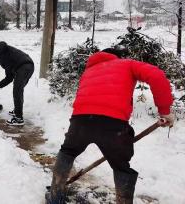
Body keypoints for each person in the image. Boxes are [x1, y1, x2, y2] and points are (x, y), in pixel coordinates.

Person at [46, 48, 174, 204]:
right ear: (117, 57)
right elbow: (156, 75)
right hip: (112, 124)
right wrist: (165, 110)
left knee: (68, 152)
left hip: (80, 121)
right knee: (121, 166)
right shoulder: (127, 64)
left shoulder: (89, 71)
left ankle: (54, 196)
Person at [0, 41, 34, 125]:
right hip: (26, 67)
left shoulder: (4, 50)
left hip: (24, 66)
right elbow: (9, 78)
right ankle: (17, 111)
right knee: (18, 91)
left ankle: (18, 118)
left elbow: (2, 43)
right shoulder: (7, 62)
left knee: (17, 91)